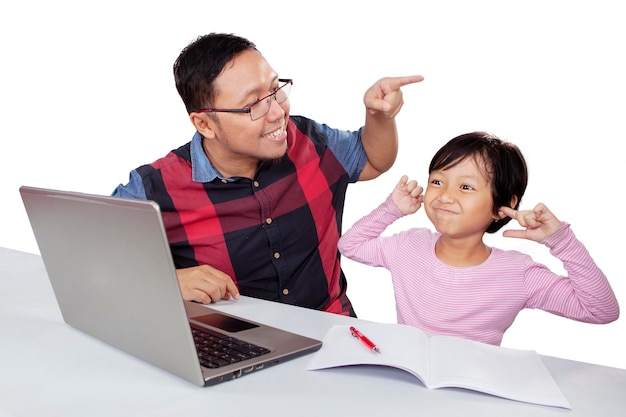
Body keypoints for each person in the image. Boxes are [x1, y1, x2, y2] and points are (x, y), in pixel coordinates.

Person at [112, 32, 423, 317]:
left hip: (333, 331)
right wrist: (168, 281)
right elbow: (83, 260)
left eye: (275, 90)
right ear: (204, 124)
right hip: (232, 347)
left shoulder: (307, 140)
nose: (277, 113)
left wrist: (379, 116)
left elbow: (372, 159)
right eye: (252, 106)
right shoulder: (154, 188)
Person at [338, 131, 619, 344]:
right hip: (408, 380)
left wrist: (561, 240)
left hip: (474, 393)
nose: (445, 195)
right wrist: (391, 209)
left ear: (501, 207)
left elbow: (600, 310)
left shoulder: (517, 273)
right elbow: (349, 246)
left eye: (466, 187)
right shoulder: (410, 245)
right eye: (438, 181)